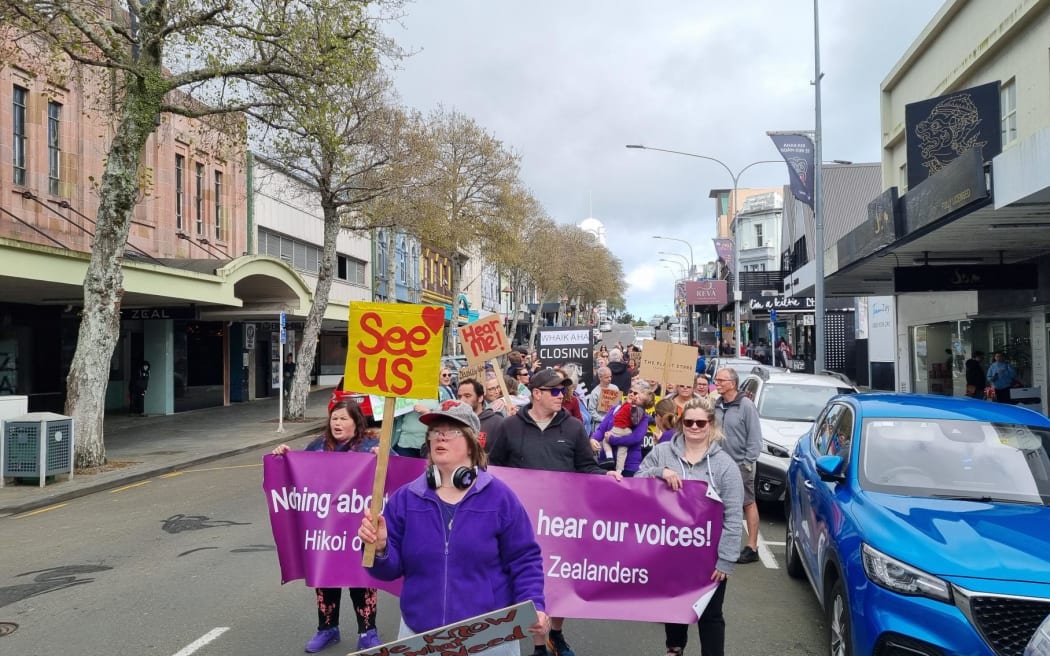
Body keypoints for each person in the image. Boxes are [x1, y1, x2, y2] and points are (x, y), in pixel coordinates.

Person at [357, 400, 550, 656]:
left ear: (472, 442)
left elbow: (524, 559)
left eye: (451, 431)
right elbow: (387, 571)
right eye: (436, 431)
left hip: (490, 637)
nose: (441, 437)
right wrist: (380, 549)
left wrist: (534, 605)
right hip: (421, 636)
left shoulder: (500, 498)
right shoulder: (407, 498)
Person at [488, 368, 622, 656]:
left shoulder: (573, 427)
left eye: (564, 391)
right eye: (555, 391)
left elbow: (586, 466)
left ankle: (556, 634)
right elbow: (495, 468)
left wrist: (604, 476)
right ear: (536, 394)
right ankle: (537, 643)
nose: (562, 396)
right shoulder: (509, 426)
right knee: (525, 578)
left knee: (559, 581)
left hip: (561, 519)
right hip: (519, 520)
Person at [271, 399, 382, 653]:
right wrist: (283, 457)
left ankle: (368, 631)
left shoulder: (371, 446)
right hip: (325, 529)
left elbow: (397, 473)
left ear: (356, 421)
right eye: (334, 418)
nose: (338, 423)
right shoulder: (319, 446)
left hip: (358, 528)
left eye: (343, 418)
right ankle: (327, 629)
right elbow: (297, 471)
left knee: (361, 578)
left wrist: (384, 458)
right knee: (326, 578)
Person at [637, 397, 744, 656]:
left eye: (700, 422)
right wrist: (659, 472)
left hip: (708, 557)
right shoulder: (663, 453)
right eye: (689, 422)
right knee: (674, 607)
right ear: (681, 423)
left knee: (711, 614)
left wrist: (726, 560)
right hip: (670, 551)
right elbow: (637, 480)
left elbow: (732, 515)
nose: (695, 427)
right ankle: (674, 648)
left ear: (711, 424)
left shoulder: (725, 466)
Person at [712, 367, 763, 564]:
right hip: (718, 464)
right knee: (720, 504)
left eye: (721, 380)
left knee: (747, 502)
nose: (717, 383)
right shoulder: (716, 405)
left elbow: (755, 438)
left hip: (741, 465)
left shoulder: (746, 406)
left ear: (732, 384)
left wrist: (747, 463)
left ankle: (752, 547)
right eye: (717, 379)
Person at [590, 380, 654, 477]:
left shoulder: (643, 417)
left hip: (628, 466)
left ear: (643, 398)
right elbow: (602, 429)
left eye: (635, 393)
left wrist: (612, 439)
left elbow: (635, 438)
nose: (631, 394)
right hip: (606, 463)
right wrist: (593, 439)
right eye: (630, 391)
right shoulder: (615, 408)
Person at [457, 378, 504, 452]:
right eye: (459, 397)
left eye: (467, 396)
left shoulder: (498, 423)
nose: (462, 400)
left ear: (480, 398)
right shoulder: (455, 423)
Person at [586, 366, 620, 430]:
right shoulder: (595, 392)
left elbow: (619, 406)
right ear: (600, 378)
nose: (609, 379)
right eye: (607, 377)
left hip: (614, 423)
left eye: (610, 376)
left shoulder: (615, 388)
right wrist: (603, 419)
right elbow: (591, 411)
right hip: (600, 424)